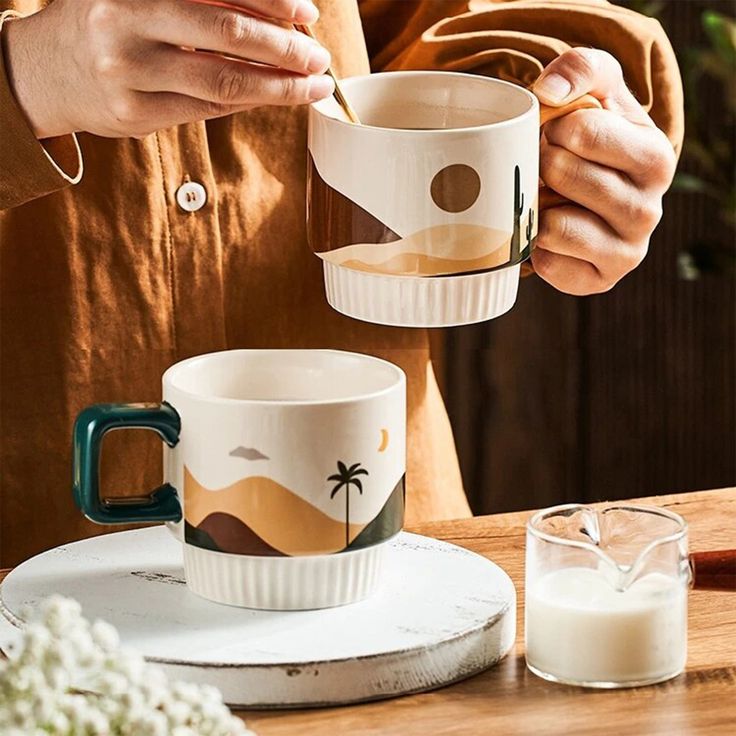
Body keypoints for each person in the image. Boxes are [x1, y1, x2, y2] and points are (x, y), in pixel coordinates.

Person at [0, 0, 682, 566]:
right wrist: (28, 75)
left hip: (392, 557)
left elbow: (425, 25)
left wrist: (560, 145)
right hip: (32, 575)